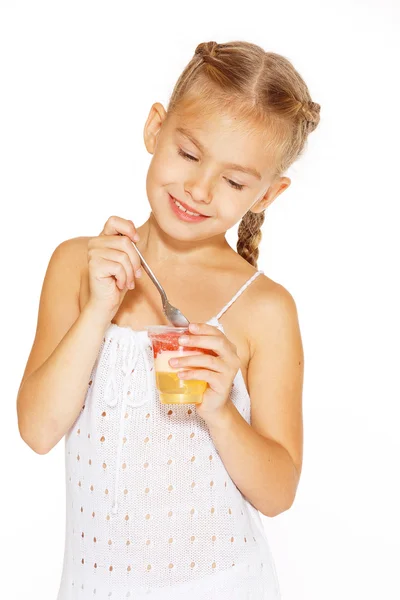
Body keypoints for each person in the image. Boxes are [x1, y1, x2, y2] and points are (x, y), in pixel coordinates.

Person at [17, 40, 320, 599]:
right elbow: (37, 431)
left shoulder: (264, 308)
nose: (199, 189)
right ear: (156, 128)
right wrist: (99, 311)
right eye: (188, 153)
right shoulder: (76, 264)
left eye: (234, 182)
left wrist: (221, 411)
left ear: (267, 194)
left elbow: (278, 494)